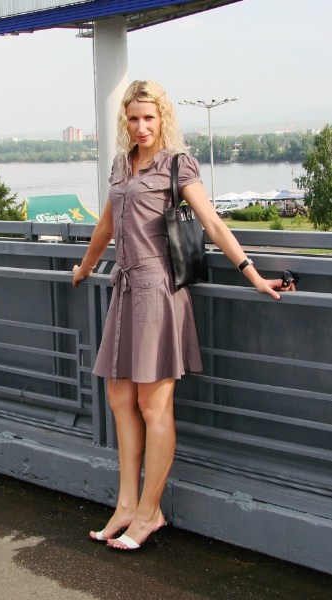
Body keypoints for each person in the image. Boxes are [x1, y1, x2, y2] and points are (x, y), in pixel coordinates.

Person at [72, 80, 295, 552]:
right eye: (134, 118)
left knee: (153, 405)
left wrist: (253, 274)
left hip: (158, 292)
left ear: (163, 118)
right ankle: (126, 504)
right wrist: (85, 268)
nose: (142, 126)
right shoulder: (121, 165)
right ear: (125, 121)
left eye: (149, 117)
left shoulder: (177, 164)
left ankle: (150, 512)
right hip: (124, 289)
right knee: (119, 398)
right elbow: (106, 225)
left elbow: (212, 222)